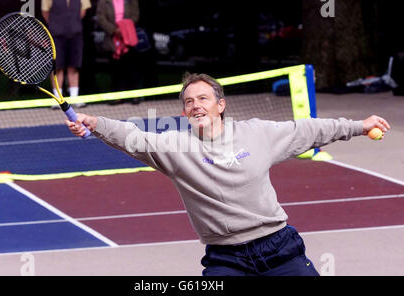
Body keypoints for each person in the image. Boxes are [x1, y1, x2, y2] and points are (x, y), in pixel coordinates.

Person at [66, 73, 391, 276]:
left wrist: (358, 126)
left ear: (220, 105)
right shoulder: (174, 147)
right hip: (226, 258)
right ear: (184, 113)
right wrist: (95, 123)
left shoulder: (257, 134)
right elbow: (130, 136)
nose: (196, 105)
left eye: (203, 98)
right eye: (189, 102)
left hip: (279, 248)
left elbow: (308, 130)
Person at [41, 0, 91, 106]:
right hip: (56, 35)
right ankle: (57, 99)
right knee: (57, 67)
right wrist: (58, 25)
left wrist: (71, 24)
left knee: (74, 66)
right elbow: (45, 12)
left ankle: (74, 97)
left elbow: (83, 12)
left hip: (75, 34)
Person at [96, 0, 141, 104]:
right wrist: (114, 30)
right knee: (115, 69)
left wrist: (124, 28)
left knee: (131, 67)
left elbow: (135, 16)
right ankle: (117, 96)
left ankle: (134, 95)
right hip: (112, 39)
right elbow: (101, 18)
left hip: (128, 37)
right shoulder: (103, 2)